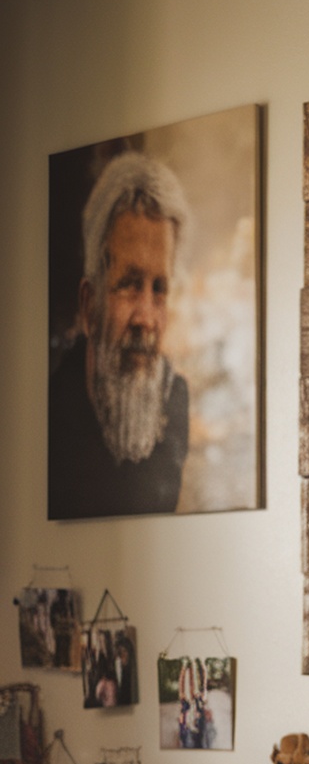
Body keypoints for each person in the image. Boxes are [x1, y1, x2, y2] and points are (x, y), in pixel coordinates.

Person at [48, 152, 190, 519]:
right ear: (90, 305)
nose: (146, 317)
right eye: (128, 285)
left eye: (159, 288)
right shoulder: (49, 419)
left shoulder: (175, 401)